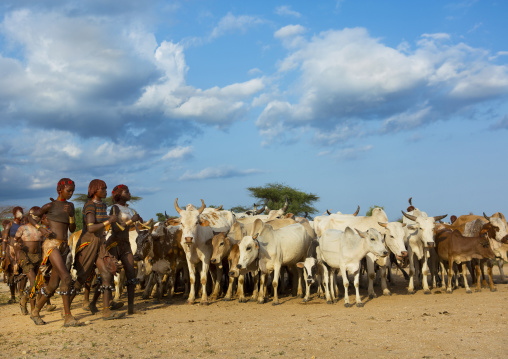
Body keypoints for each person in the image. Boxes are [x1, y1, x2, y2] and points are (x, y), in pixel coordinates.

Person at [28, 178, 79, 326]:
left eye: (72, 191)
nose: (71, 194)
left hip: (64, 246)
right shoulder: (50, 205)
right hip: (51, 245)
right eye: (69, 191)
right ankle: (68, 317)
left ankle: (35, 311)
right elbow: (30, 217)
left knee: (53, 285)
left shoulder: (70, 206)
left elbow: (72, 229)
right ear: (59, 190)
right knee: (66, 277)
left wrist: (71, 214)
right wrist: (41, 229)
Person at [72, 179, 124, 320]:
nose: (106, 191)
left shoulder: (102, 205)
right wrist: (109, 221)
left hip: (100, 243)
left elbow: (101, 222)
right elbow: (91, 227)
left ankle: (106, 311)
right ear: (95, 190)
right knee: (82, 278)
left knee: (107, 274)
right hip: (88, 243)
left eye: (106, 188)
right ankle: (67, 307)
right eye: (103, 188)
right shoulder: (89, 205)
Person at [105, 184, 143, 315]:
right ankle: (104, 304)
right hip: (114, 244)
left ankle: (131, 308)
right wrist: (131, 221)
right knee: (109, 275)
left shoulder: (128, 209)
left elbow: (131, 224)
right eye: (126, 192)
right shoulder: (114, 208)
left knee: (131, 274)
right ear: (119, 194)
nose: (129, 194)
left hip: (125, 244)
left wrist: (137, 220)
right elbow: (115, 228)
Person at [14, 207, 44, 315]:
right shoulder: (22, 228)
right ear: (30, 216)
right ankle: (33, 309)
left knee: (37, 284)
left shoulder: (41, 229)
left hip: (38, 257)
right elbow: (15, 242)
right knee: (33, 282)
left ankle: (24, 300)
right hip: (26, 257)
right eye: (36, 217)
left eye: (39, 217)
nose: (38, 219)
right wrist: (18, 257)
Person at [1, 207, 24, 303]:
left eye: (21, 212)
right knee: (11, 274)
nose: (20, 214)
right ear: (14, 214)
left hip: (22, 250)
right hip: (11, 251)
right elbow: (4, 241)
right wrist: (3, 253)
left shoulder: (24, 225)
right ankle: (12, 296)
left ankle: (21, 294)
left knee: (22, 272)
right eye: (18, 212)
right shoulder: (9, 225)